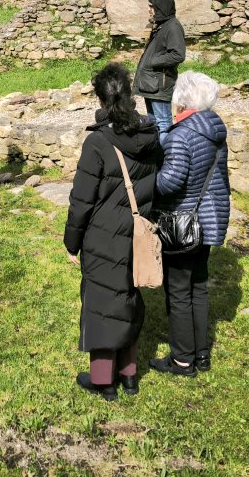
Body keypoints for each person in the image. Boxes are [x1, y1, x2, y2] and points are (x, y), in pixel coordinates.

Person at [64, 63, 163, 400]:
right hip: (137, 233)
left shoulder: (98, 143)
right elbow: (154, 185)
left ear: (100, 99)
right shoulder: (150, 137)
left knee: (101, 307)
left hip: (102, 236)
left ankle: (104, 381)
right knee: (128, 300)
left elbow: (81, 199)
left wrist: (71, 242)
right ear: (130, 95)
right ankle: (130, 375)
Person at [150, 71, 230, 377]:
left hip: (184, 223)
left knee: (180, 291)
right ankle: (202, 353)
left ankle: (182, 360)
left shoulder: (182, 135)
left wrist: (146, 182)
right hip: (210, 219)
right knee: (199, 287)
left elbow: (171, 182)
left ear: (181, 100)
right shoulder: (213, 129)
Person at [133, 0, 186, 143]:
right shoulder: (162, 25)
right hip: (151, 84)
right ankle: (158, 159)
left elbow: (178, 55)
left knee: (163, 124)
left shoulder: (173, 27)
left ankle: (169, 159)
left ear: (161, 6)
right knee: (153, 124)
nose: (149, 9)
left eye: (152, 6)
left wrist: (153, 61)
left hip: (159, 86)